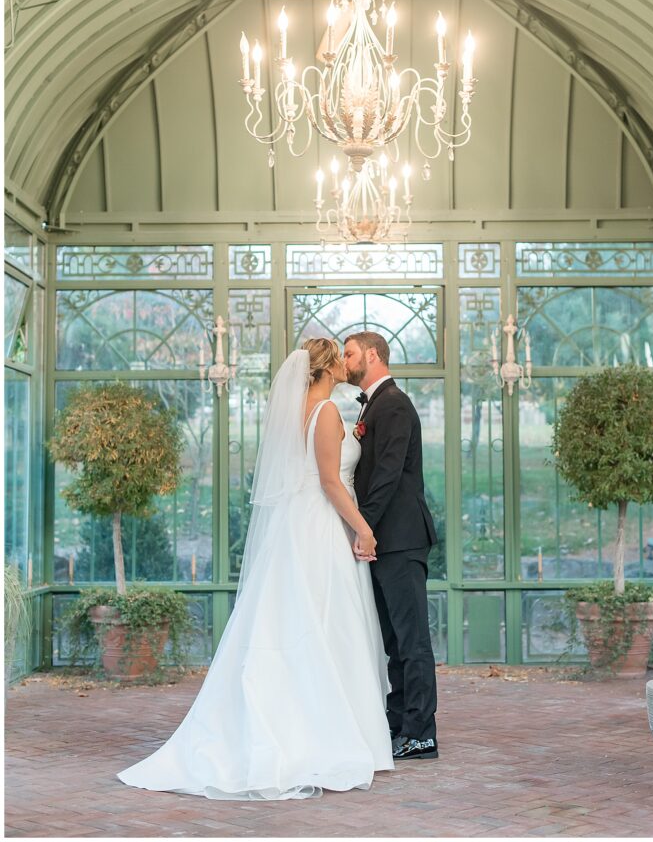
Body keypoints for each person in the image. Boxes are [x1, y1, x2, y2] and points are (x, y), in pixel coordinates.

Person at [117, 339, 393, 801]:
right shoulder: (325, 413)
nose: (349, 365)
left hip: (296, 526)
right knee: (328, 626)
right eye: (341, 359)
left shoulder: (298, 412)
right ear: (326, 368)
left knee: (303, 625)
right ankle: (327, 736)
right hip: (320, 529)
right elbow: (329, 482)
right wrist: (364, 529)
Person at [343, 331, 439, 761]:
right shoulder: (375, 404)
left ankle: (421, 733)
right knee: (394, 642)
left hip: (399, 539)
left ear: (373, 354)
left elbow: (388, 473)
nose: (343, 361)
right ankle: (398, 723)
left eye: (349, 353)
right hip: (384, 540)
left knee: (412, 639)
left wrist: (365, 527)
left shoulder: (395, 404)